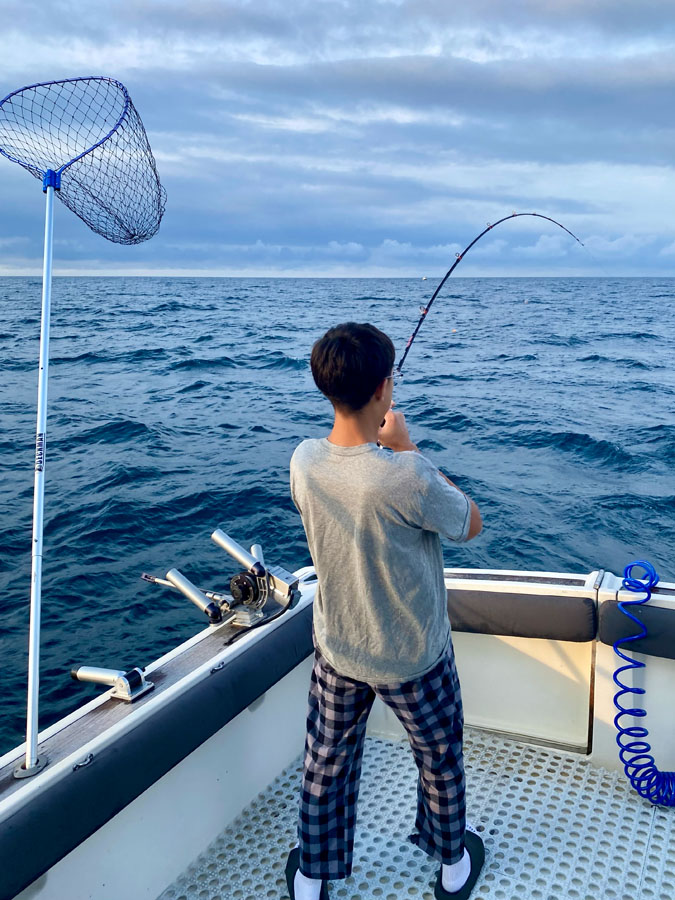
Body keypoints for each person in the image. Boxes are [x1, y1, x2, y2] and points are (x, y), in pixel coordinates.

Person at [285, 322, 484, 900]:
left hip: (338, 649)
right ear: (382, 390)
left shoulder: (303, 460)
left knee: (326, 762)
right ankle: (452, 865)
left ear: (326, 387)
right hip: (414, 655)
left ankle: (311, 875)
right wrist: (406, 447)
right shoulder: (408, 475)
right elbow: (469, 522)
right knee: (439, 757)